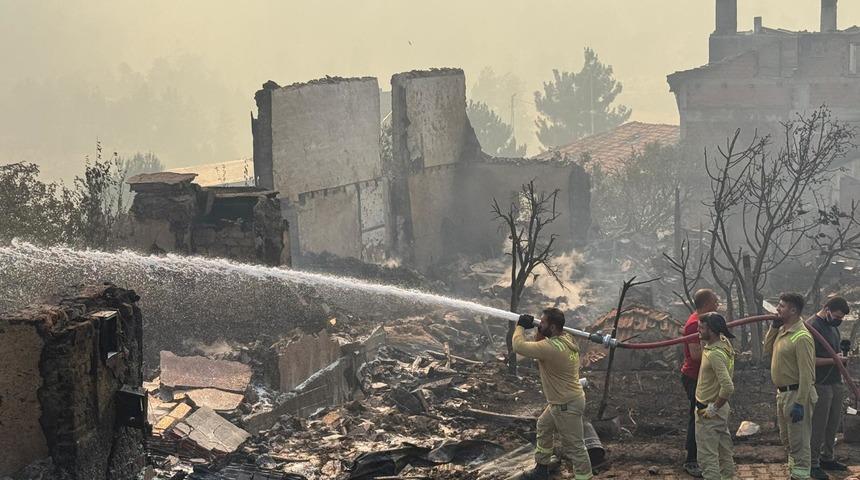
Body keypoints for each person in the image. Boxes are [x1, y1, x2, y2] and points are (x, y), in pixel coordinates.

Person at [513, 308, 593, 480]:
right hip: (566, 400)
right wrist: (539, 331)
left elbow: (518, 346)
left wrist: (520, 326)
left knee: (576, 447)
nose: (540, 325)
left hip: (565, 405)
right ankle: (541, 470)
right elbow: (540, 348)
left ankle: (584, 477)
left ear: (554, 327)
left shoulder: (550, 348)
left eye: (543, 323)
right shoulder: (567, 338)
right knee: (543, 425)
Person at [765, 293, 818, 480]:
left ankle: (801, 476)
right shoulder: (783, 330)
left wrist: (801, 403)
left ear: (793, 310)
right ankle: (794, 474)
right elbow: (767, 350)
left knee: (799, 441)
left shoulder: (802, 337)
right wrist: (773, 327)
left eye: (782, 306)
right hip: (783, 394)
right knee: (787, 440)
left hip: (796, 394)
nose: (777, 309)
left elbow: (807, 374)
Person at [808, 297, 851, 480]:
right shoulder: (812, 326)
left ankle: (828, 456)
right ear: (826, 309)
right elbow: (810, 360)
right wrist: (835, 359)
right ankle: (812, 462)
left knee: (833, 422)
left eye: (841, 318)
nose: (838, 320)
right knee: (819, 424)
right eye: (836, 316)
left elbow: (833, 352)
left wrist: (840, 356)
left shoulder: (833, 327)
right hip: (820, 383)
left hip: (835, 380)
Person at [681, 289, 720, 478]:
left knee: (706, 416)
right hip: (694, 377)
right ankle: (691, 460)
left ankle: (705, 456)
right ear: (706, 303)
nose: (718, 303)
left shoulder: (706, 321)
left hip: (705, 377)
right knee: (697, 416)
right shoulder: (693, 325)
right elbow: (696, 355)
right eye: (715, 300)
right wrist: (717, 349)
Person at [695, 312, 736, 480]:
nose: (697, 329)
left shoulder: (715, 354)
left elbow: (727, 387)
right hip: (720, 412)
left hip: (709, 412)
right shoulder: (723, 343)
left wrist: (713, 408)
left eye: (701, 327)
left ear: (711, 330)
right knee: (724, 452)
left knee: (707, 458)